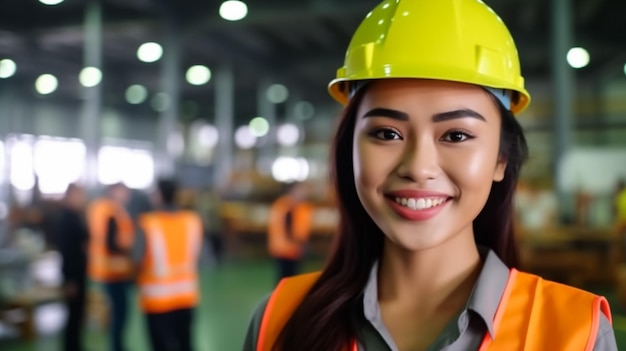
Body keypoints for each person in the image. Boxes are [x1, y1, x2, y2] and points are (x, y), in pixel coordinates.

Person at [243, 1, 617, 350]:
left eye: (456, 135)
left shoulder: (575, 332)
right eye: (387, 134)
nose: (418, 167)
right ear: (350, 151)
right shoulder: (278, 320)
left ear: (501, 159)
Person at [133, 178, 203, 351]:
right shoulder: (192, 221)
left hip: (157, 301)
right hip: (186, 295)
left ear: (159, 196)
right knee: (186, 342)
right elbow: (197, 256)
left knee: (161, 345)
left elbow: (137, 259)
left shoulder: (148, 223)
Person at [87, 182, 134, 351]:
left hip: (109, 270)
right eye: (123, 190)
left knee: (117, 312)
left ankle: (117, 345)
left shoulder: (102, 209)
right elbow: (111, 244)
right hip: (114, 271)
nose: (127, 194)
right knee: (119, 312)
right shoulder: (112, 212)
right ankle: (117, 346)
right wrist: (129, 250)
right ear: (113, 192)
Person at [54, 183, 89, 351]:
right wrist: (70, 280)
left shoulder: (76, 216)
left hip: (80, 272)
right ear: (69, 196)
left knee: (78, 314)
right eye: (78, 195)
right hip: (72, 275)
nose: (81, 199)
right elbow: (66, 252)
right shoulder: (66, 219)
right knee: (73, 315)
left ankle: (76, 345)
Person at [267, 182, 314, 283]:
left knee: (289, 278)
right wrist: (301, 244)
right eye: (301, 190)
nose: (304, 193)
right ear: (292, 191)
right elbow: (289, 230)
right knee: (286, 279)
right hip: (287, 249)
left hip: (290, 249)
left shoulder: (295, 205)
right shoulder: (288, 207)